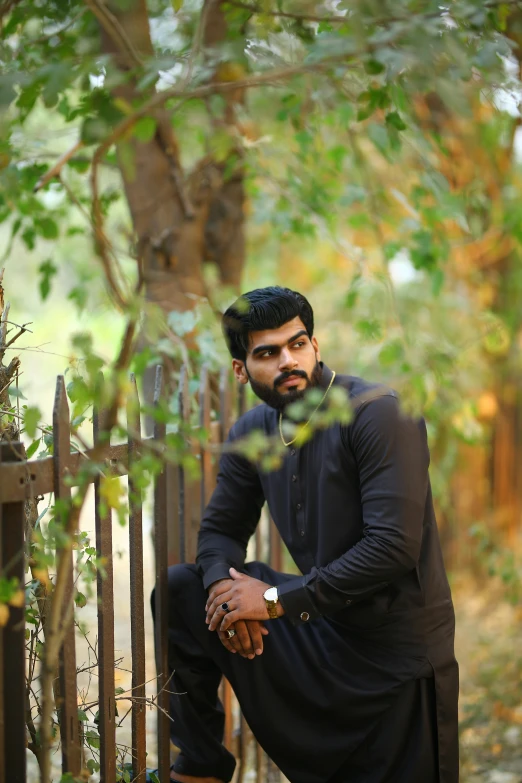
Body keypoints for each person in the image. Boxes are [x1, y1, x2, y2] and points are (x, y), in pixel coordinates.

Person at [153, 286, 459, 783]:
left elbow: (393, 548)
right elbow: (219, 532)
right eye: (267, 353)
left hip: (395, 655)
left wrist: (271, 599)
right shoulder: (254, 430)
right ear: (241, 369)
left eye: (297, 344)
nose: (287, 361)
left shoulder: (379, 414)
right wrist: (227, 599)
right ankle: (201, 768)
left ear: (316, 345)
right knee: (183, 588)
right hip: (320, 630)